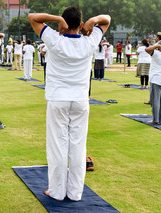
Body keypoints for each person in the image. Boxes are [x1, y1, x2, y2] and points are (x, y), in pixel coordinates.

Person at [28, 7, 110, 201]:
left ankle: (57, 191)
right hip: (80, 100)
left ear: (63, 24)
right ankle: (75, 193)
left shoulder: (54, 39)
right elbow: (106, 20)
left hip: (58, 99)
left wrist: (56, 19)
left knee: (58, 146)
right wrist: (93, 20)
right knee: (78, 146)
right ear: (80, 25)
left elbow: (33, 18)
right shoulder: (90, 41)